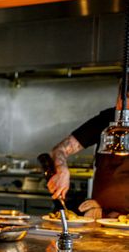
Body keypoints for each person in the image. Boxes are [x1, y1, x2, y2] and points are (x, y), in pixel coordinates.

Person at [48, 81, 129, 219]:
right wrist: (62, 170)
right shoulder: (106, 120)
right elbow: (59, 150)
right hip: (99, 217)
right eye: (121, 102)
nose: (121, 110)